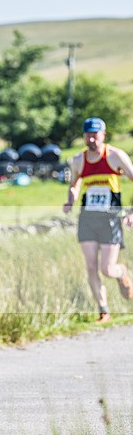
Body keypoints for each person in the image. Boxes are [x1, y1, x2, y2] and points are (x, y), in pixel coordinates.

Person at [63, 117, 133, 323]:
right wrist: (70, 199)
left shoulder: (115, 156)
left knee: (107, 269)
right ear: (84, 136)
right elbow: (74, 185)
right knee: (91, 267)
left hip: (110, 219)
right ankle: (103, 310)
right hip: (87, 219)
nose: (92, 139)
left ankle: (122, 273)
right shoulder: (78, 160)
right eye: (88, 135)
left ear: (103, 135)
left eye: (95, 134)